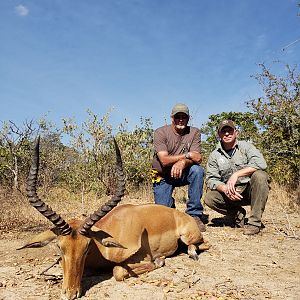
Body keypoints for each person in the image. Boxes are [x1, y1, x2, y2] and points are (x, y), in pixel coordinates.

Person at [204, 119, 269, 235]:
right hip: (229, 194)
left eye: (230, 130)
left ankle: (254, 222)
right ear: (219, 135)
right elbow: (211, 179)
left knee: (260, 175)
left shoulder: (246, 147)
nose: (227, 134)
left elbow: (261, 164)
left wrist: (237, 174)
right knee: (209, 198)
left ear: (236, 132)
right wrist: (224, 188)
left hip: (250, 191)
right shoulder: (214, 155)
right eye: (223, 132)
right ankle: (238, 216)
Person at [151, 103, 206, 232]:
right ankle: (170, 206)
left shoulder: (195, 132)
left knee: (197, 170)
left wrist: (182, 163)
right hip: (162, 175)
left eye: (184, 117)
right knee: (163, 217)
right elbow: (164, 160)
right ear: (172, 118)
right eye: (177, 117)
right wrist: (187, 156)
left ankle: (194, 215)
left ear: (188, 118)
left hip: (182, 172)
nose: (181, 119)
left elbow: (198, 158)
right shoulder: (160, 132)